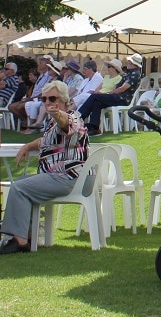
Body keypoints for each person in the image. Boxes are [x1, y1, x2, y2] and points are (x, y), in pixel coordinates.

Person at [0, 80, 89, 254]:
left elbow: (67, 125)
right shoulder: (52, 124)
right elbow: (44, 141)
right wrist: (27, 146)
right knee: (21, 182)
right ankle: (29, 235)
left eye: (53, 98)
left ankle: (19, 241)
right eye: (45, 99)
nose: (48, 102)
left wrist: (57, 114)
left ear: (64, 99)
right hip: (59, 176)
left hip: (67, 177)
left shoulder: (73, 118)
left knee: (19, 188)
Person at [79, 55, 142, 136]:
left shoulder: (135, 73)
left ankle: (80, 118)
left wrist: (108, 94)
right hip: (117, 97)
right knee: (96, 103)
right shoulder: (129, 73)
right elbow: (118, 87)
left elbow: (122, 89)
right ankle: (94, 128)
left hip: (122, 99)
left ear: (132, 63)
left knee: (94, 97)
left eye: (129, 61)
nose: (128, 62)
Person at [9, 56, 53, 131]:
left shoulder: (48, 76)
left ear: (46, 65)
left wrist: (29, 98)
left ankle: (30, 124)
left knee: (19, 107)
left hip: (37, 99)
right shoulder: (41, 75)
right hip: (32, 98)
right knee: (11, 107)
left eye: (40, 63)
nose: (38, 65)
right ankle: (26, 121)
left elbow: (43, 92)